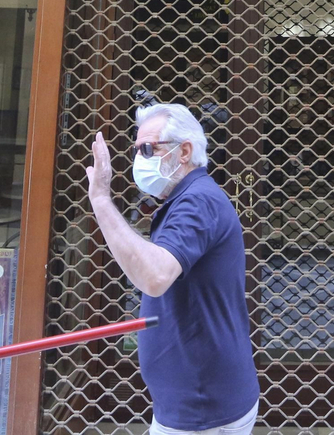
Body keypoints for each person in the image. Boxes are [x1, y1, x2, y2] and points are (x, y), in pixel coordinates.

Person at [86, 103, 260, 435]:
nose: (139, 158)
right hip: (194, 404)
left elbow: (154, 276)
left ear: (184, 152)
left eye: (148, 148)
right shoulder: (188, 198)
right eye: (137, 149)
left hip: (203, 409)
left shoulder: (197, 202)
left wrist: (101, 200)